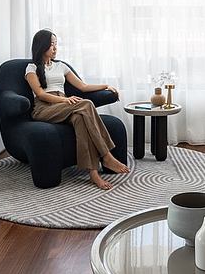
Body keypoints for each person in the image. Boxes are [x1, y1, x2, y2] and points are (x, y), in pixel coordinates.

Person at [25, 29, 130, 189]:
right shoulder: (31, 68)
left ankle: (93, 174)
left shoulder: (61, 66)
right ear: (42, 45)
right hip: (44, 108)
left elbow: (83, 86)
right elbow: (40, 94)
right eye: (51, 44)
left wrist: (106, 85)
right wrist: (65, 100)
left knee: (80, 118)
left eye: (56, 44)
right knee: (86, 104)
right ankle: (107, 155)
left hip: (63, 106)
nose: (55, 48)